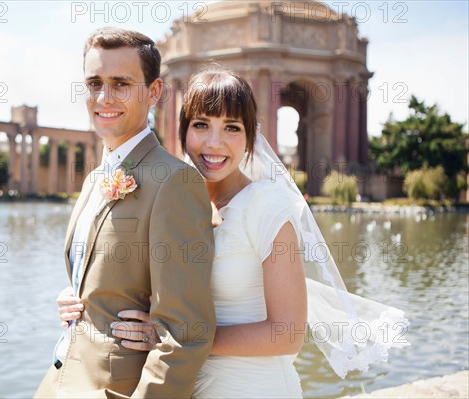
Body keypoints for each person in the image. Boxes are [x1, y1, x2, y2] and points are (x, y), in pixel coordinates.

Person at [99, 68, 410, 398]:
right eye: (201, 124)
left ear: (249, 138)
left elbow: (288, 332)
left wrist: (177, 338)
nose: (214, 143)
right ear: (183, 132)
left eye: (231, 128)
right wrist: (78, 300)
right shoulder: (175, 206)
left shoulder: (266, 206)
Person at [34, 27, 216, 399]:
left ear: (154, 92)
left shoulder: (175, 182)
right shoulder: (93, 180)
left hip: (114, 389)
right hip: (58, 379)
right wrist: (77, 296)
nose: (104, 97)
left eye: (121, 84)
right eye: (94, 83)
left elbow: (185, 334)